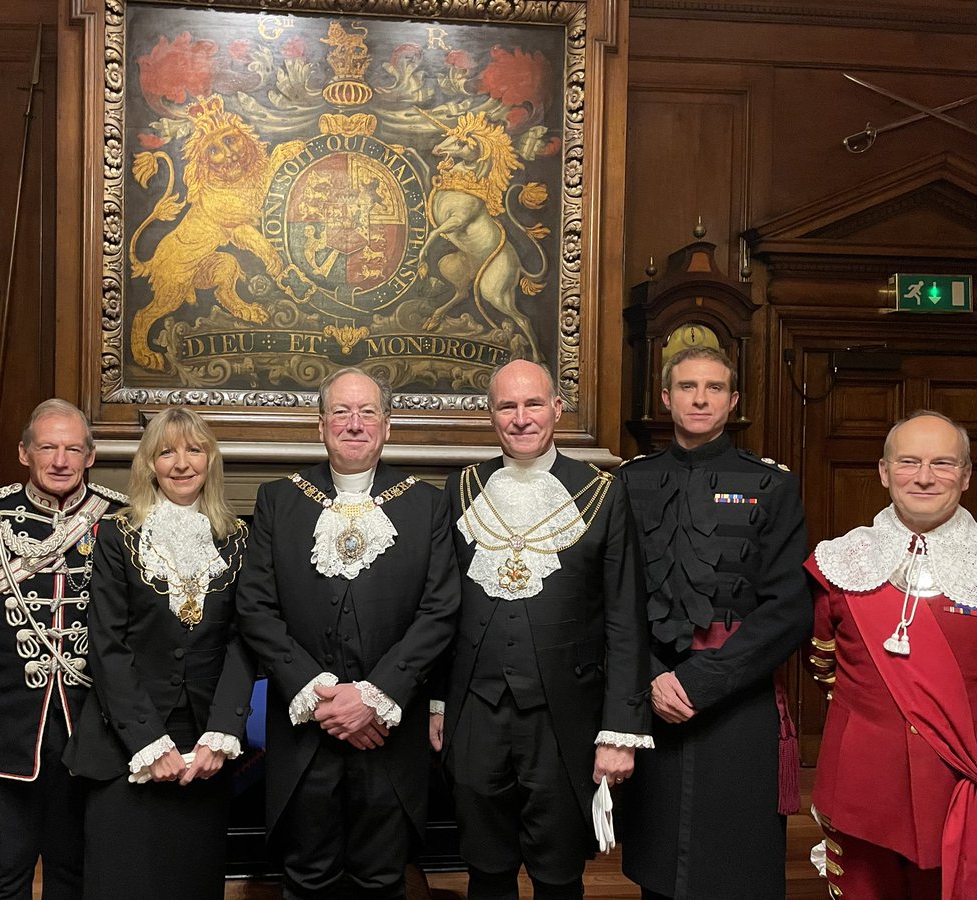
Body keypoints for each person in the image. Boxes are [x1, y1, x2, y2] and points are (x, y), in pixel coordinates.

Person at [235, 366, 460, 900]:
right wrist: (321, 696)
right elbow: (256, 609)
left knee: (382, 881)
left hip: (389, 733)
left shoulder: (427, 504)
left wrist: (374, 697)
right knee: (306, 879)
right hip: (304, 733)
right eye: (341, 411)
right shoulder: (278, 499)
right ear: (320, 425)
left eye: (367, 413)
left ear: (387, 426)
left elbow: (440, 611)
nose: (353, 424)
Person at [430, 358, 652, 899]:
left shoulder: (602, 490)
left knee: (557, 875)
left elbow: (626, 617)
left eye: (533, 404)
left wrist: (620, 729)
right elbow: (438, 607)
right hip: (475, 711)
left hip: (566, 717)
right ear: (491, 416)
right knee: (485, 870)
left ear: (556, 409)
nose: (521, 418)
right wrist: (437, 703)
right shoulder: (461, 487)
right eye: (507, 406)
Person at [618, 345, 813, 899]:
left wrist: (701, 683)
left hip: (737, 695)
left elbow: (788, 609)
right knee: (658, 859)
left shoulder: (772, 485)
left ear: (732, 400)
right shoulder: (629, 483)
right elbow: (613, 599)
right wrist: (654, 675)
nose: (699, 398)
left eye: (713, 388)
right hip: (652, 693)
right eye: (686, 387)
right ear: (665, 398)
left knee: (737, 860)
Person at [0, 398, 124, 900]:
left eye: (73, 448)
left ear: (90, 456)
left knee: (74, 870)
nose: (60, 460)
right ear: (23, 453)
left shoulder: (119, 520)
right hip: (5, 729)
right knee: (7, 872)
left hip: (93, 730)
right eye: (48, 447)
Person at [63, 408, 253, 898]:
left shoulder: (238, 539)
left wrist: (221, 733)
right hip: (125, 743)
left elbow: (242, 640)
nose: (182, 462)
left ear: (211, 460)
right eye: (166, 451)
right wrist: (150, 742)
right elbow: (108, 644)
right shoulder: (115, 535)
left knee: (190, 883)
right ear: (149, 464)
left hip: (204, 748)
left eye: (194, 449)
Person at [806, 410, 977, 899]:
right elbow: (824, 666)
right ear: (884, 473)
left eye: (943, 464)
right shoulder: (838, 562)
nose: (924, 477)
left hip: (959, 783)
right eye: (908, 462)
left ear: (965, 476)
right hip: (861, 782)